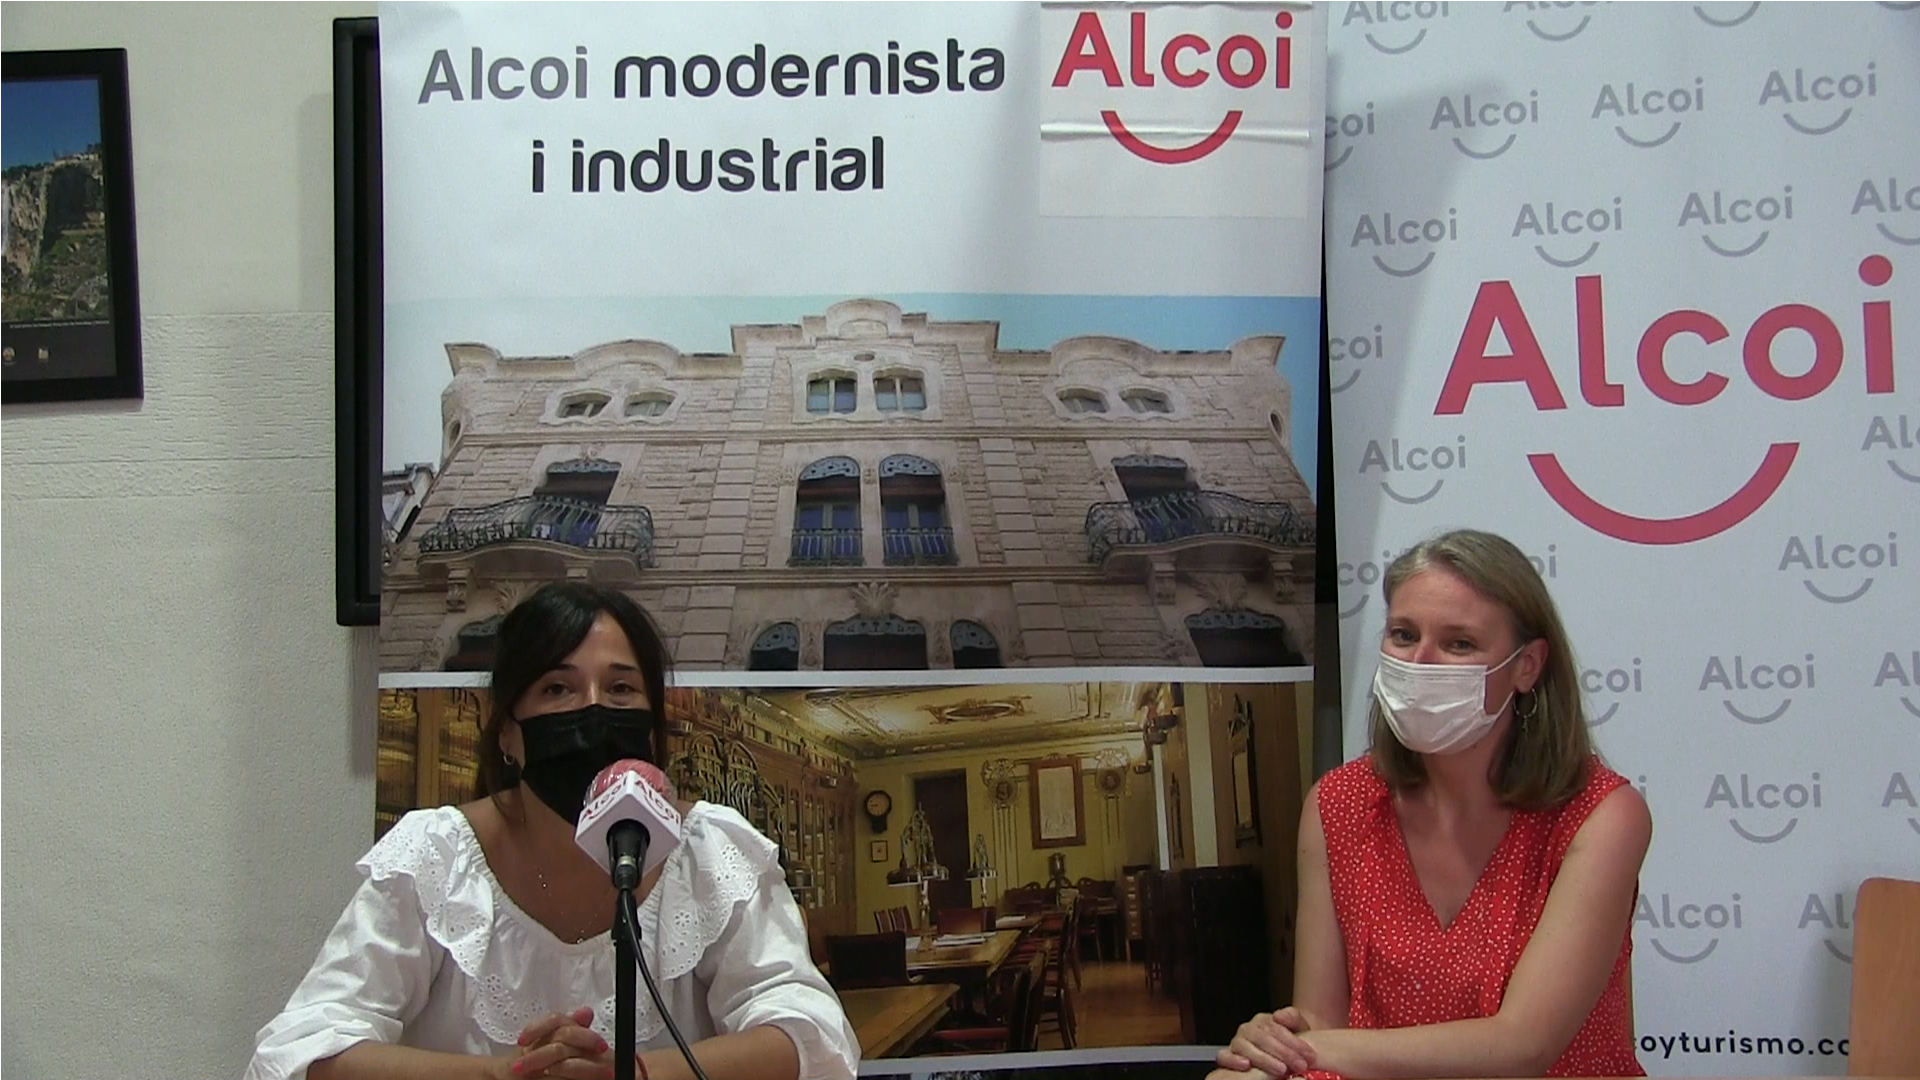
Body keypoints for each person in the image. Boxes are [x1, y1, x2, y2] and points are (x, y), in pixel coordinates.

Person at [244, 582, 860, 1080]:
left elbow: (812, 1037)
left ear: (651, 726)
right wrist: (504, 1076)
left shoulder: (709, 850)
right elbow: (297, 1053)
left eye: (620, 688)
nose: (593, 709)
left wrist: (634, 1074)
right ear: (508, 733)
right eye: (558, 688)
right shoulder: (435, 857)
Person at [1212, 529, 1651, 1080]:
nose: (1420, 662)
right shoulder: (1339, 803)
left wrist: (1314, 1049)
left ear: (1527, 666)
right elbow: (1319, 1020)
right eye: (1403, 634)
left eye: (1459, 643)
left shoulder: (1602, 815)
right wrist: (1275, 1048)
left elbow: (1523, 1046)